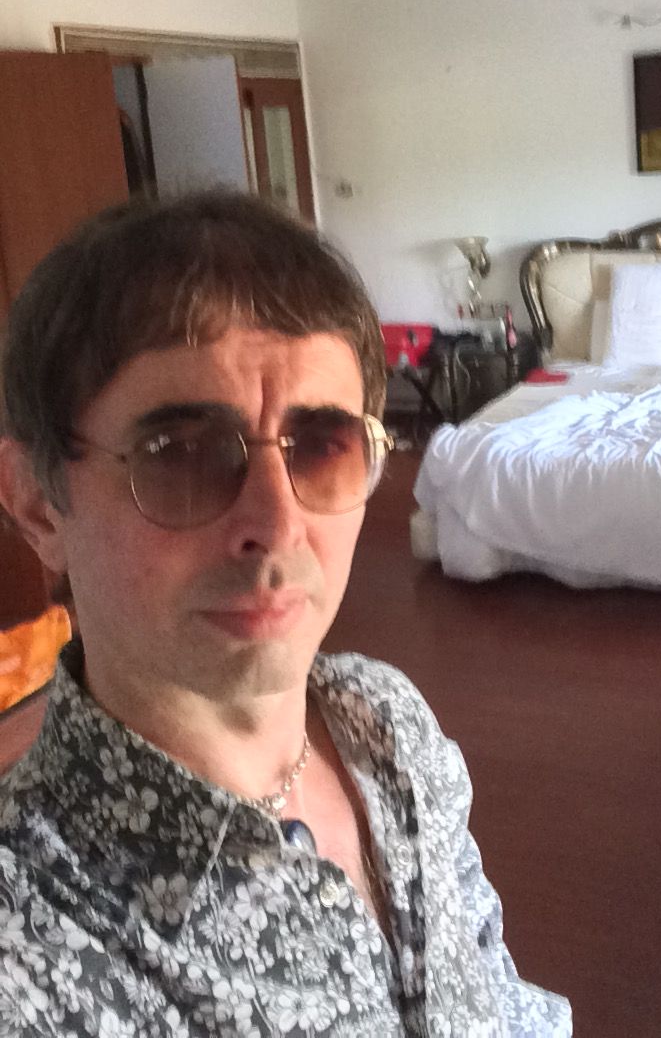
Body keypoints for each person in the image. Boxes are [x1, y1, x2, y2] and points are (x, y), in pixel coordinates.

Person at [0, 193, 572, 1037]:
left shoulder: (385, 723)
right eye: (179, 454)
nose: (277, 524)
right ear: (35, 504)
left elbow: (503, 1001)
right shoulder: (27, 957)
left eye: (322, 446)